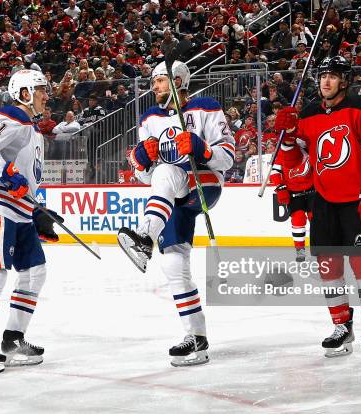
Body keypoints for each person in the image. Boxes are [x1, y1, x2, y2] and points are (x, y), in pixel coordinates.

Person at [274, 56, 361, 361]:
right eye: (323, 75)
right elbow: (293, 162)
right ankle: (341, 325)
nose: (326, 81)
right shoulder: (310, 113)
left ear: (345, 80)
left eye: (333, 76)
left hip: (357, 199)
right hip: (323, 201)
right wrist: (287, 136)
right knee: (329, 269)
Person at [116, 60, 235, 367]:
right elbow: (148, 178)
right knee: (173, 264)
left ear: (178, 81)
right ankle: (195, 338)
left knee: (168, 170)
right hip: (171, 193)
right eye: (153, 82)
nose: (154, 87)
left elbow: (229, 156)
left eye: (159, 81)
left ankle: (144, 237)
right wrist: (141, 160)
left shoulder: (206, 107)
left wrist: (203, 149)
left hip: (203, 184)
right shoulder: (149, 119)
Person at [0, 69, 60, 373]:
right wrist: (5, 174)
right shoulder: (12, 115)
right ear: (25, 93)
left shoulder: (33, 130)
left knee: (35, 272)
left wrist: (38, 211)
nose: (46, 94)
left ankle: (13, 339)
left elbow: (25, 179)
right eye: (41, 89)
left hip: (19, 209)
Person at [269, 144, 314, 262]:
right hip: (293, 192)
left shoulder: (308, 147)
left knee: (316, 219)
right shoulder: (282, 152)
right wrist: (281, 188)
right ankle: (300, 250)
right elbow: (274, 172)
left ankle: (318, 247)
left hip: (312, 190)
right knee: (298, 219)